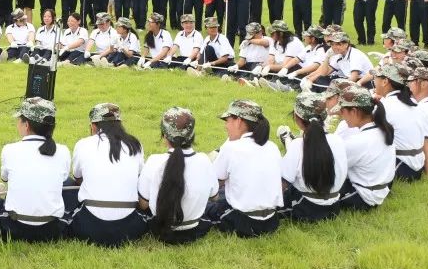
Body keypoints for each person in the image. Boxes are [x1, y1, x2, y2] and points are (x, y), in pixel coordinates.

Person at [0, 98, 70, 243]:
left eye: (19, 120)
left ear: (26, 124)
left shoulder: (10, 150)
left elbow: (5, 179)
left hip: (14, 229)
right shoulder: (63, 151)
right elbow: (63, 180)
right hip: (52, 230)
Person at [66, 102, 146, 246]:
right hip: (130, 228)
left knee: (68, 188)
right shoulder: (135, 144)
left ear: (94, 125)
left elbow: (78, 178)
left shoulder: (83, 144)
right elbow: (139, 178)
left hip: (89, 226)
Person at [138, 107, 218, 244]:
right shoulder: (204, 160)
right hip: (195, 230)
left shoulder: (154, 161)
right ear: (192, 135)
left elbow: (143, 204)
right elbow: (214, 197)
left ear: (164, 135)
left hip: (160, 231)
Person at [205, 99, 283, 237]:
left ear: (239, 121)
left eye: (227, 120)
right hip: (271, 221)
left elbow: (213, 185)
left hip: (243, 223)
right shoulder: (272, 146)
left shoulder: (231, 148)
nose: (226, 126)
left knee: (203, 204)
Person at [276, 92, 348, 222]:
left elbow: (283, 183)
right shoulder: (338, 140)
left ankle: (286, 137)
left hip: (306, 207)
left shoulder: (298, 145)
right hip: (334, 206)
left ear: (296, 117)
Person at [335, 85, 396, 210]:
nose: (341, 115)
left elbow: (333, 168)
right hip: (381, 189)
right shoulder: (383, 130)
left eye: (342, 111)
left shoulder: (357, 141)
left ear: (354, 111)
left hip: (362, 196)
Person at [373, 63, 428, 181]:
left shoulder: (385, 106)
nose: (374, 81)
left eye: (376, 78)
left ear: (385, 81)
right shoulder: (414, 103)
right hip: (416, 168)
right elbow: (427, 141)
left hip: (400, 168)